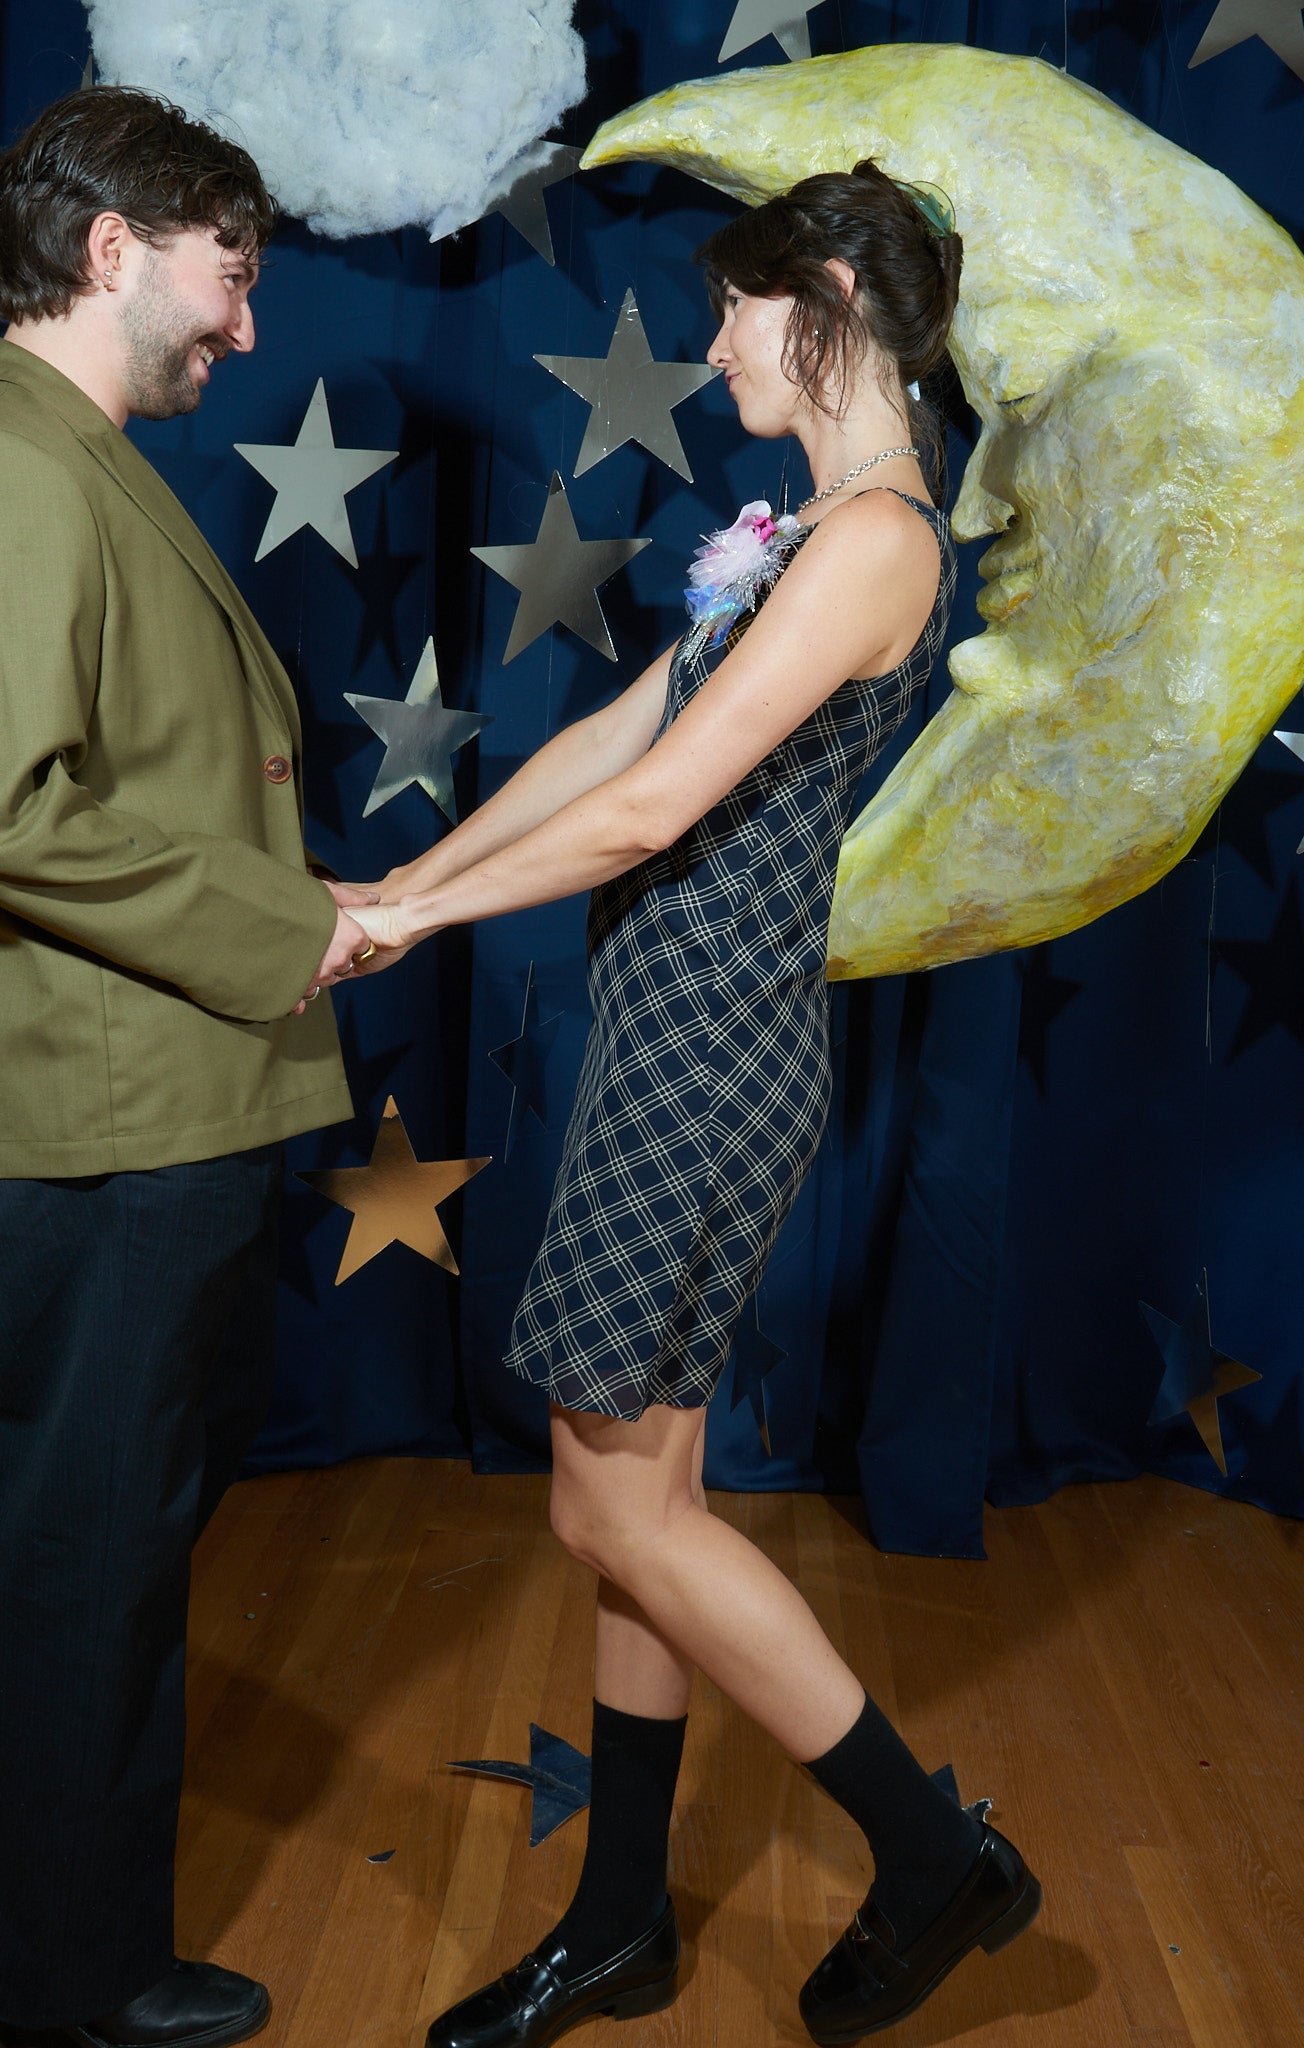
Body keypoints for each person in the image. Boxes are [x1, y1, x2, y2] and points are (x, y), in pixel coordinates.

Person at [351, 162, 1041, 2048]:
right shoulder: (810, 530)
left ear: (830, 302)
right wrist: (396, 886)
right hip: (683, 1038)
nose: (716, 338)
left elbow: (653, 812)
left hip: (709, 1059)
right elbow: (614, 737)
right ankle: (622, 1925)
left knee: (612, 1510)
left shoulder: (877, 543)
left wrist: (411, 923)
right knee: (639, 1497)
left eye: (739, 303)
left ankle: (933, 1855)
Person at [0, 87, 374, 2048]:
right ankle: (71, 1982)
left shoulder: (68, 451)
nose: (245, 325)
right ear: (111, 247)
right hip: (113, 1123)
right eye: (229, 276)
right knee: (92, 1565)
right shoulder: (23, 460)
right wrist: (282, 924)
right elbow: (11, 809)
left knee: (86, 1548)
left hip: (143, 1107)